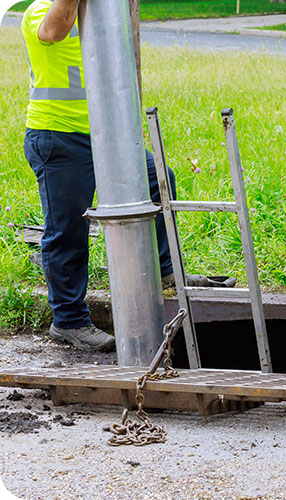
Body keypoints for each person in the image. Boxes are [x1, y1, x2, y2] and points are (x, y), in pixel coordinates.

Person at [21, 0, 179, 352]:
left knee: (159, 182)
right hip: (59, 137)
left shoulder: (103, 13)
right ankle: (69, 320)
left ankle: (164, 270)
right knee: (67, 230)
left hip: (107, 133)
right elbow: (54, 30)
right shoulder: (40, 10)